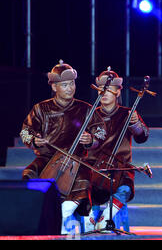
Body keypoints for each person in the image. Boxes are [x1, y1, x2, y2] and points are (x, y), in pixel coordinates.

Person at [19, 60, 106, 234]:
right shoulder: (41, 109)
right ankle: (35, 217)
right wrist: (35, 141)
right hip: (47, 159)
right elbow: (25, 132)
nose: (70, 88)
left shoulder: (86, 109)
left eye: (72, 83)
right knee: (29, 174)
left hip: (76, 160)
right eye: (64, 85)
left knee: (83, 179)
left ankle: (64, 214)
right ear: (54, 87)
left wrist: (90, 139)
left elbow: (101, 132)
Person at [84, 70, 149, 232]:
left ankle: (106, 218)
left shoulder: (127, 113)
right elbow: (83, 143)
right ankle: (92, 218)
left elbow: (142, 136)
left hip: (119, 168)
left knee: (125, 189)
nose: (104, 94)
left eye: (109, 90)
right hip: (94, 167)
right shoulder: (91, 114)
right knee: (82, 186)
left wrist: (135, 124)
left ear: (118, 91)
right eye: (101, 89)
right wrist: (87, 141)